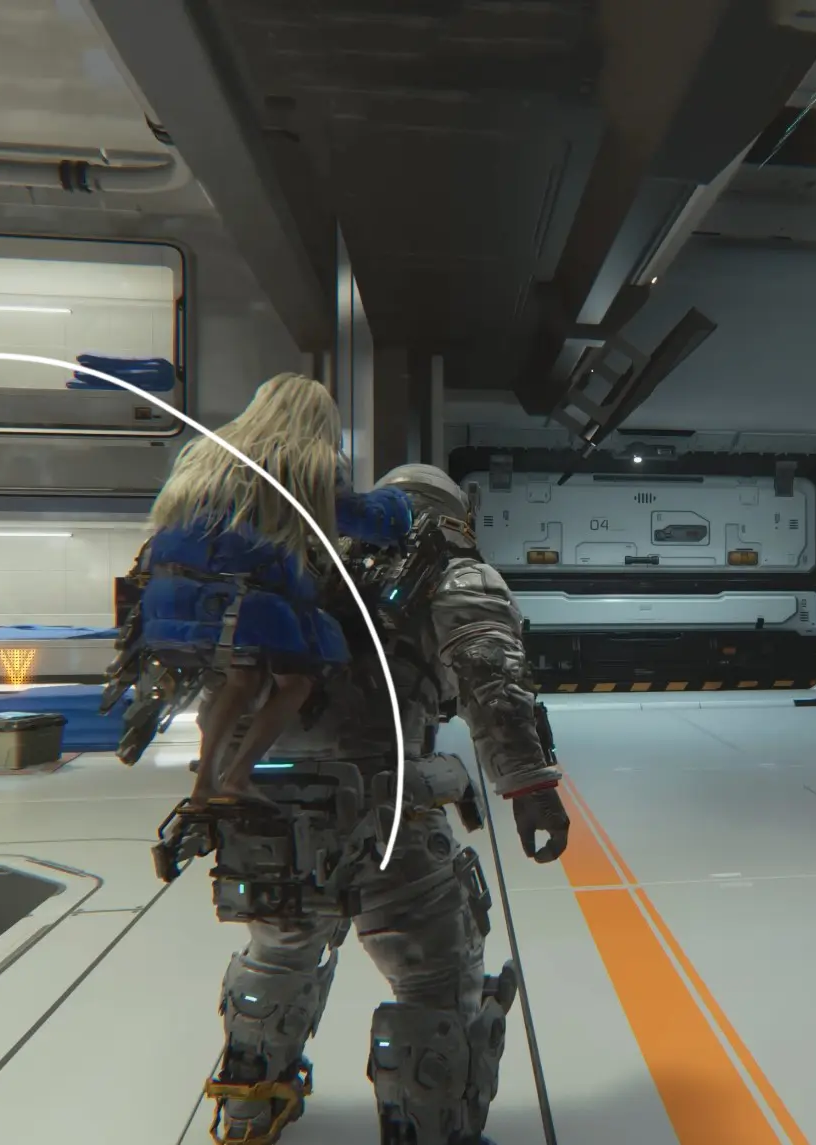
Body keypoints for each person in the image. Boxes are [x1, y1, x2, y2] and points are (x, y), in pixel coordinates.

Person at [155, 462, 571, 1145]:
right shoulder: (452, 574)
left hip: (261, 805)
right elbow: (491, 678)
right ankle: (426, 1126)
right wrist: (529, 786)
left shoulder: (301, 573)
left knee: (279, 951)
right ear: (453, 516)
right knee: (436, 976)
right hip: (381, 810)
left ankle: (249, 1106)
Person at [101, 372, 412, 803]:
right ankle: (237, 777)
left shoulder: (207, 452)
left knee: (242, 677)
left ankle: (204, 785)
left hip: (168, 598)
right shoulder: (304, 460)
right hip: (238, 601)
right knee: (297, 681)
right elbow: (364, 521)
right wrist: (399, 503)